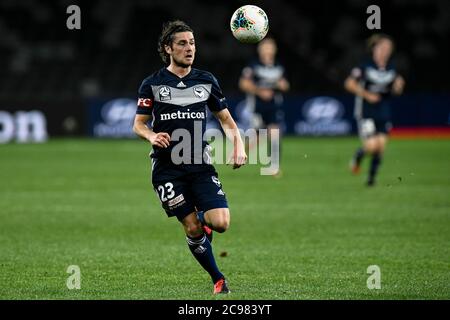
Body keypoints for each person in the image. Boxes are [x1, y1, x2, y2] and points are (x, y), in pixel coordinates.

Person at [133, 20, 247, 294]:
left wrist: (239, 146)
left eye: (192, 43)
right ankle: (218, 279)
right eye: (182, 43)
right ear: (168, 48)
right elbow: (138, 124)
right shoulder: (152, 84)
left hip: (199, 163)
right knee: (192, 227)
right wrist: (151, 136)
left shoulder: (206, 80)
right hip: (167, 169)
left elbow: (226, 120)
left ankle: (200, 216)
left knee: (220, 223)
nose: (189, 48)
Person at [345, 34, 405, 186]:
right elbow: (349, 83)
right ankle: (358, 157)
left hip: (383, 111)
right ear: (374, 49)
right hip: (366, 111)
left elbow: (396, 90)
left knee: (381, 147)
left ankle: (371, 179)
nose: (384, 51)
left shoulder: (392, 68)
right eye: (382, 47)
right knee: (372, 146)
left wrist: (399, 86)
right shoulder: (364, 66)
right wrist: (367, 95)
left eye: (388, 48)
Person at [238, 37, 289, 176]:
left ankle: (274, 167)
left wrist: (281, 85)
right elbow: (243, 83)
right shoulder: (253, 66)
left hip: (273, 106)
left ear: (275, 50)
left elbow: (285, 84)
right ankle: (241, 152)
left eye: (270, 47)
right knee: (258, 137)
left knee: (274, 132)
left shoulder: (278, 66)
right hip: (257, 107)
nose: (268, 50)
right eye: (265, 47)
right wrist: (260, 91)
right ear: (260, 50)